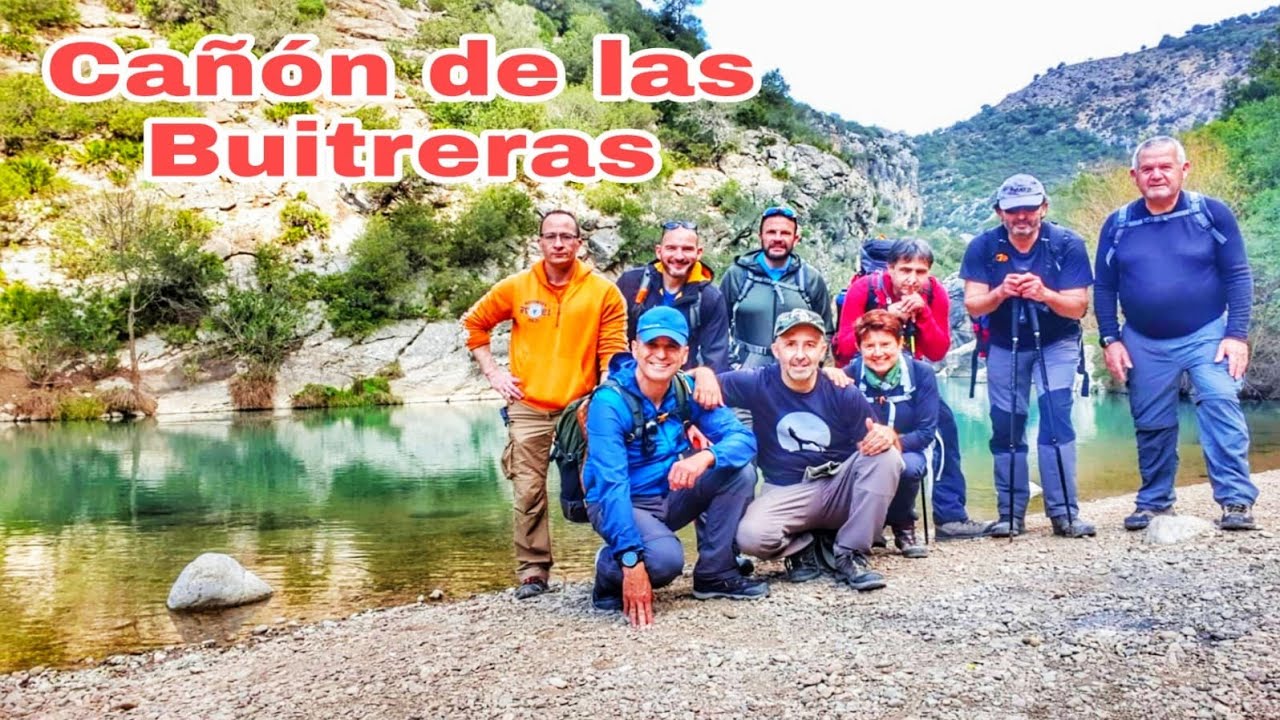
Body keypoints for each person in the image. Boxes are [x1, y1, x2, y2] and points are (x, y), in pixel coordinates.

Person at [462, 210, 629, 599]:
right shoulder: (517, 287)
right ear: (539, 241)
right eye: (550, 236)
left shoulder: (603, 292)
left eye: (566, 237)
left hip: (581, 406)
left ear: (579, 244)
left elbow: (613, 352)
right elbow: (473, 324)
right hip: (528, 404)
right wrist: (494, 373)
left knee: (602, 483)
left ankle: (619, 558)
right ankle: (533, 571)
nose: (558, 243)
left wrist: (602, 397)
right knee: (527, 490)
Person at [1094, 135, 1258, 531]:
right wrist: (1110, 339)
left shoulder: (1211, 214)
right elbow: (1104, 287)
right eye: (1147, 169)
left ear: (1183, 170)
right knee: (1151, 421)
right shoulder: (1118, 224)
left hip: (1206, 333)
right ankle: (1154, 501)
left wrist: (1236, 334)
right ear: (1134, 176)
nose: (1156, 175)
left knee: (1220, 401)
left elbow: (1237, 275)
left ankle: (1236, 500)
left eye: (1165, 166)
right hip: (1143, 339)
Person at [693, 308, 903, 591]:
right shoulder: (758, 382)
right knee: (750, 536)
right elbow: (683, 383)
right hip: (786, 491)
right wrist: (705, 372)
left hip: (836, 487)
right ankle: (805, 546)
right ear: (776, 350)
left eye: (809, 345)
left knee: (886, 456)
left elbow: (878, 447)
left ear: (822, 351)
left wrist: (888, 435)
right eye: (791, 344)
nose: (800, 354)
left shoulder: (842, 390)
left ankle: (851, 554)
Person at [583, 307, 767, 626]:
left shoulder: (683, 391)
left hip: (669, 494)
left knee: (739, 471)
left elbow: (743, 438)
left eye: (671, 347)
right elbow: (611, 485)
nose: (660, 355)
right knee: (666, 562)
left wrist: (705, 457)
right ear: (635, 348)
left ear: (684, 354)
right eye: (652, 345)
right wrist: (630, 560)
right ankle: (608, 568)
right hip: (619, 501)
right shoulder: (609, 403)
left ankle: (715, 573)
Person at [960, 174, 1096, 538]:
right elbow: (974, 305)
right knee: (1006, 424)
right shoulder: (983, 246)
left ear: (1044, 208)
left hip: (1057, 340)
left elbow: (1077, 307)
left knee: (1055, 418)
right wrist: (1002, 292)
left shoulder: (1067, 243)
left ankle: (1065, 514)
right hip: (1005, 342)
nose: (1022, 217)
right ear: (999, 213)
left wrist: (1044, 294)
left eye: (1029, 209)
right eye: (1013, 210)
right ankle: (1010, 515)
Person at [833, 238, 994, 541]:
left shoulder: (934, 293)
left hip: (913, 378)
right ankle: (861, 517)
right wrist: (886, 317)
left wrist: (924, 316)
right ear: (890, 268)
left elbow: (937, 351)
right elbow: (843, 347)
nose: (912, 279)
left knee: (944, 430)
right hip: (866, 375)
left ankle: (950, 517)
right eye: (905, 269)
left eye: (920, 272)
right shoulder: (864, 289)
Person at [846, 310, 939, 558]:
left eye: (885, 344)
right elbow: (840, 428)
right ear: (859, 347)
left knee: (906, 468)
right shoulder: (848, 375)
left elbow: (926, 432)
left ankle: (903, 526)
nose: (878, 353)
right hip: (862, 449)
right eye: (869, 346)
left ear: (900, 343)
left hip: (910, 448)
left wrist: (891, 440)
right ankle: (867, 527)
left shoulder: (922, 373)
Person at [720, 206, 833, 369]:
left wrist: (817, 367)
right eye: (771, 232)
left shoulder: (810, 279)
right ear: (761, 237)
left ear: (796, 238)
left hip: (796, 371)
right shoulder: (738, 275)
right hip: (745, 373)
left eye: (785, 233)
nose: (778, 238)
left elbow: (826, 331)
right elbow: (717, 326)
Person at [617, 220, 731, 372]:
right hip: (630, 378)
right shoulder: (631, 283)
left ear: (699, 253)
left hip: (680, 384)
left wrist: (704, 378)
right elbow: (613, 339)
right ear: (659, 251)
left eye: (687, 249)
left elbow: (716, 359)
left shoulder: (710, 298)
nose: (679, 256)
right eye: (671, 248)